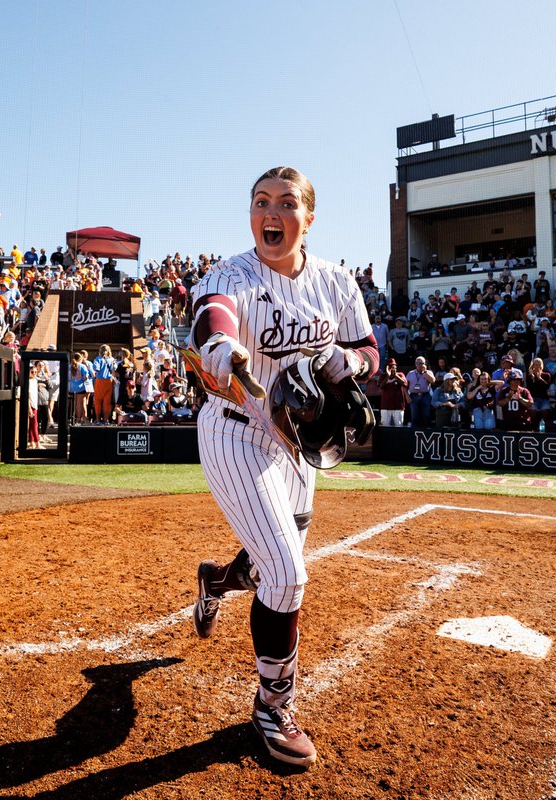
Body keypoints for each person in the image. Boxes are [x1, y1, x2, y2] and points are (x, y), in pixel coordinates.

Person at [188, 167, 377, 767]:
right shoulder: (233, 273)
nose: (272, 213)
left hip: (298, 443)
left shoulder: (336, 282)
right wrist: (221, 346)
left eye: (287, 203)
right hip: (237, 430)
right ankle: (273, 705)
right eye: (261, 202)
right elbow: (212, 314)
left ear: (308, 218)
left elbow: (370, 351)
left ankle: (216, 583)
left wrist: (349, 362)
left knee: (275, 560)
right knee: (289, 574)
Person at [377, 357, 408, 426]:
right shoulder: (383, 376)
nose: (392, 368)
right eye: (390, 366)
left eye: (394, 367)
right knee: (385, 426)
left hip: (398, 407)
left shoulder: (400, 374)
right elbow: (381, 386)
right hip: (385, 406)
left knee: (399, 426)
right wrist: (388, 376)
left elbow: (405, 384)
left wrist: (395, 375)